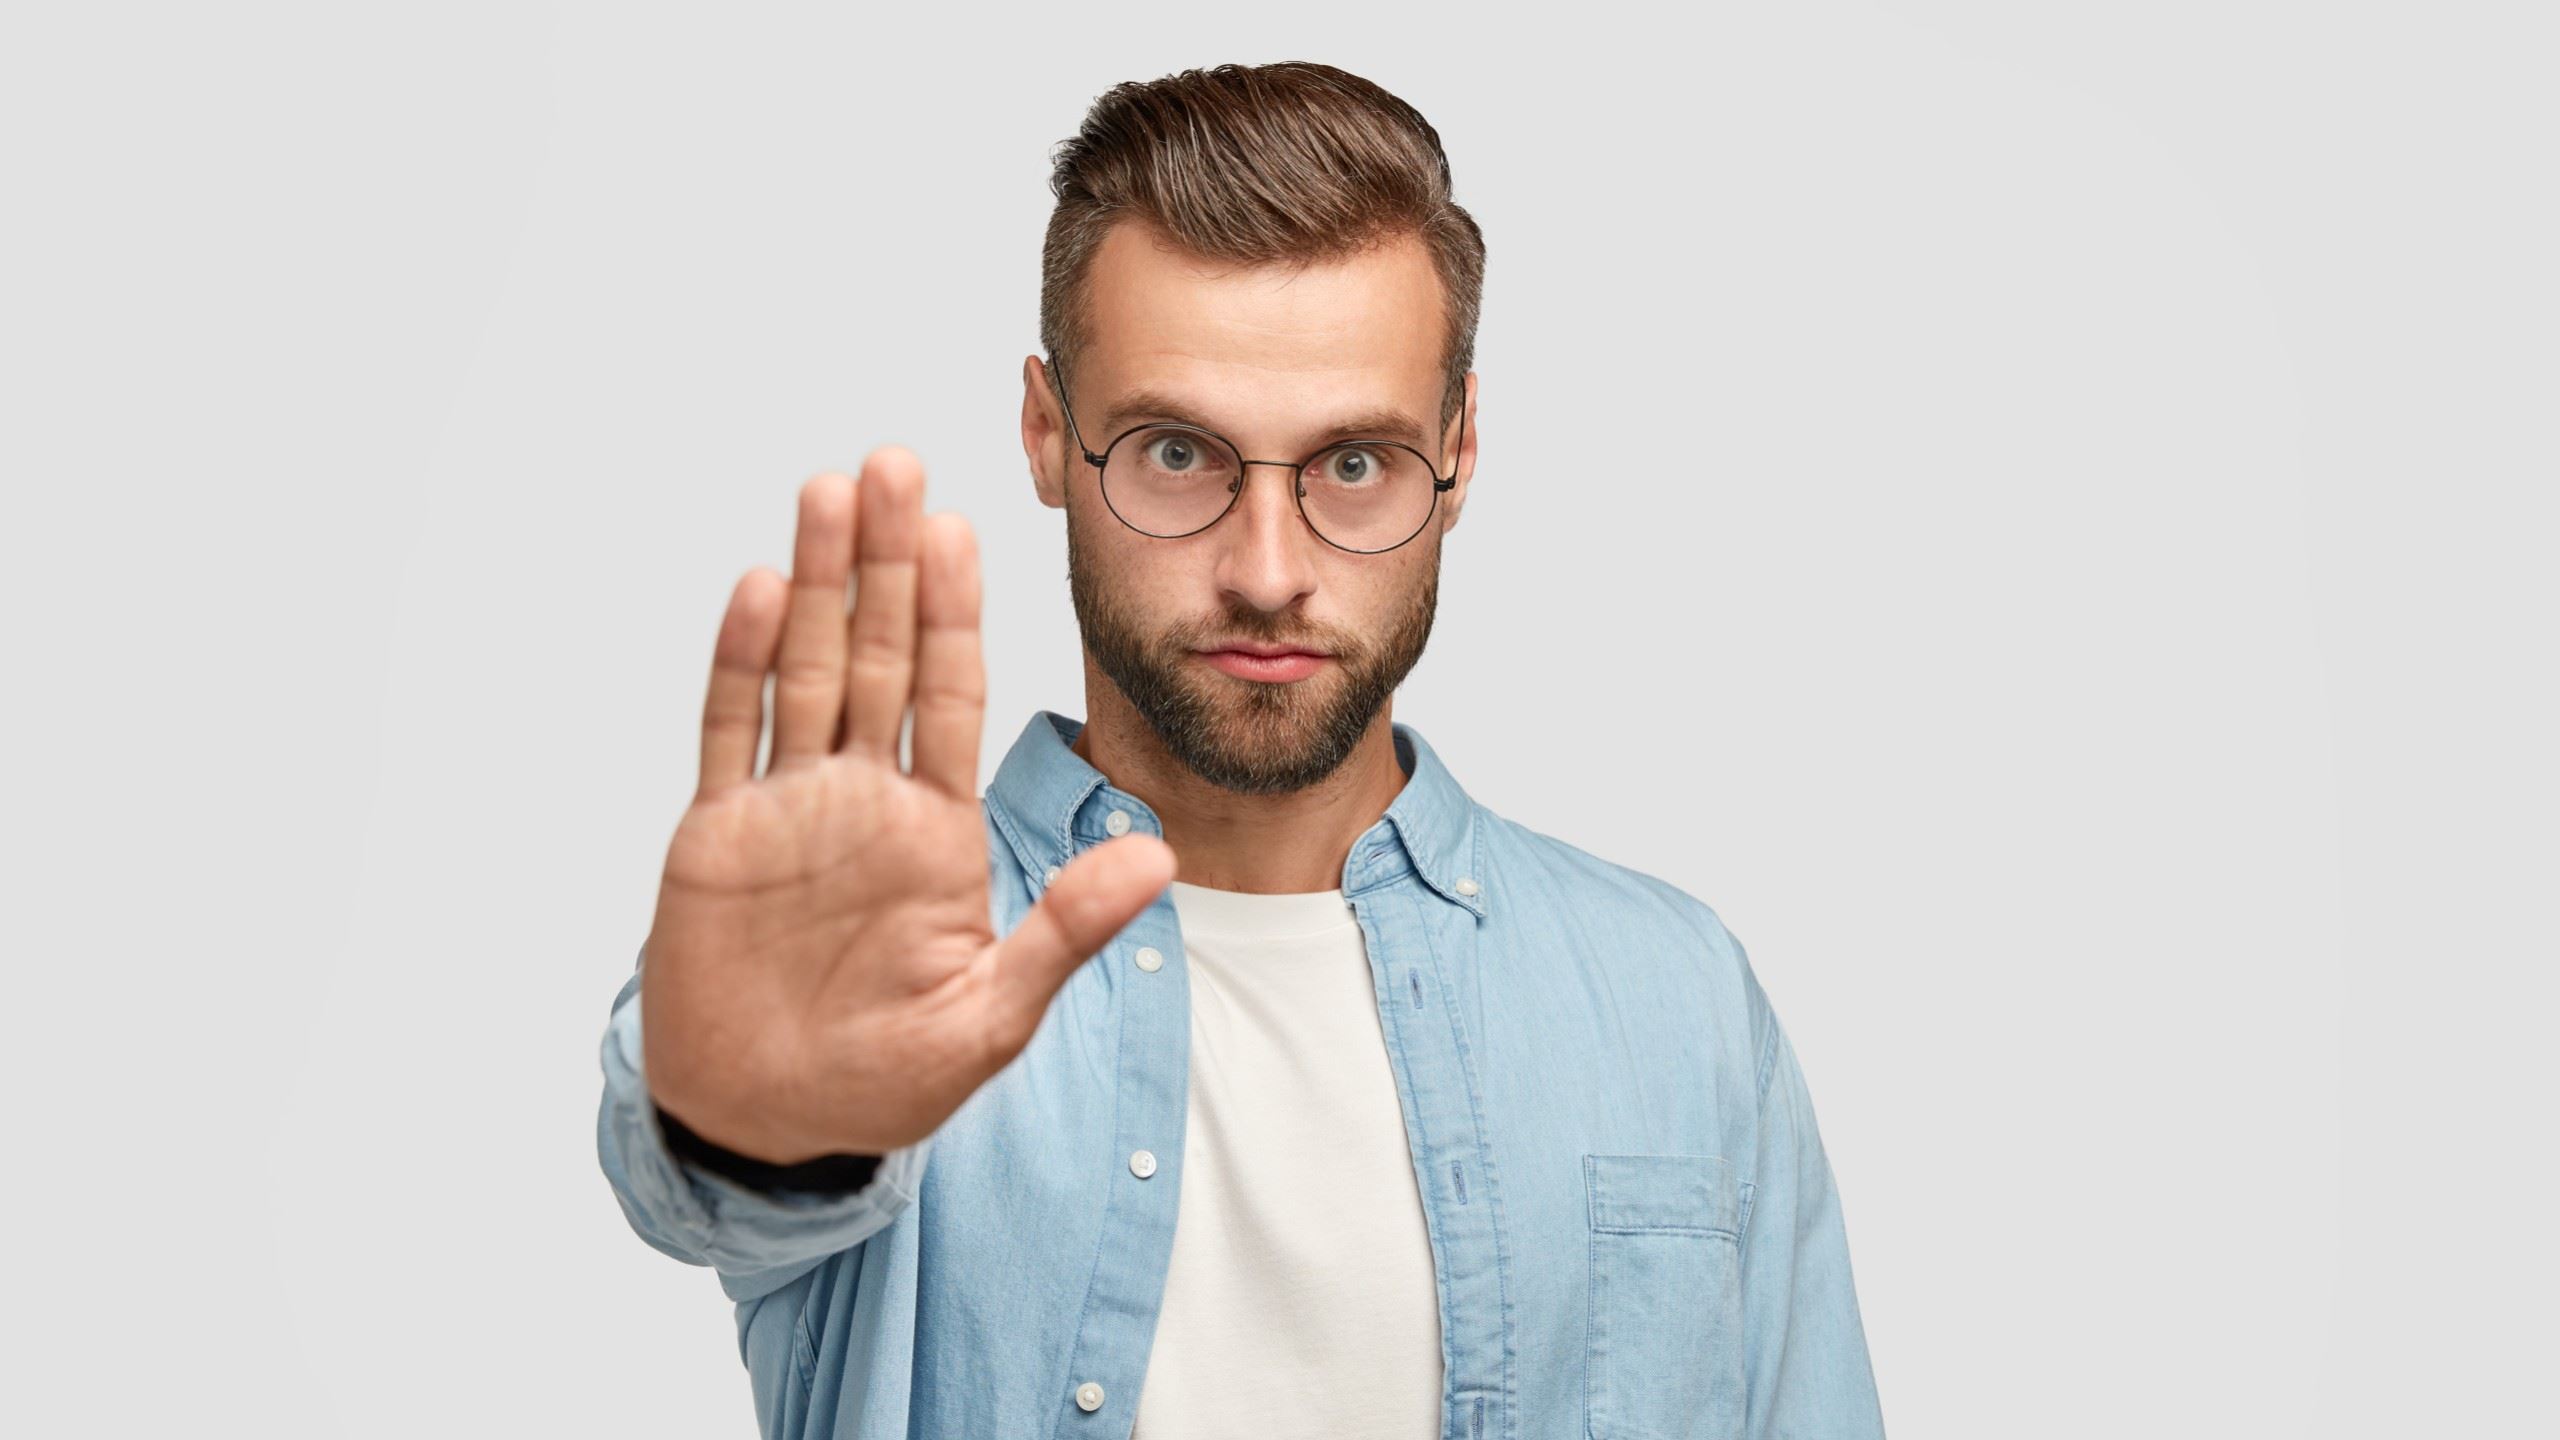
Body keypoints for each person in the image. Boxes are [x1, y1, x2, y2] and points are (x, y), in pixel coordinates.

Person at [596, 60, 1885, 1440]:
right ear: (1048, 434)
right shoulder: (869, 960)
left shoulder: (1676, 1000)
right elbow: (708, 1172)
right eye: (1175, 454)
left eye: (1351, 465)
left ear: (1459, 450)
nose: (1268, 572)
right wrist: (751, 1129)